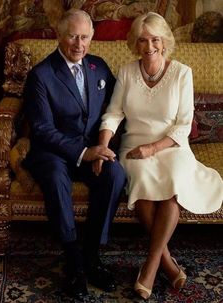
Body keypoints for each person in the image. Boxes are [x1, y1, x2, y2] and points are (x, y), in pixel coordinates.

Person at [95, 12, 223, 300]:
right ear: (135, 44)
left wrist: (154, 148)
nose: (149, 46)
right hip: (134, 146)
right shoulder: (127, 72)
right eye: (142, 40)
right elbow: (114, 113)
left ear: (164, 42)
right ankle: (167, 263)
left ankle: (151, 266)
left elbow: (183, 124)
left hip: (172, 146)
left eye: (155, 39)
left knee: (173, 186)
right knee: (140, 184)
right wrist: (104, 145)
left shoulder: (182, 73)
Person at [23, 8, 126, 300]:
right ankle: (73, 261)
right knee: (56, 178)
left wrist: (104, 150)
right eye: (72, 36)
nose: (79, 44)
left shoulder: (99, 67)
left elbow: (116, 112)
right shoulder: (41, 75)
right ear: (59, 35)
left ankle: (91, 256)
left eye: (85, 37)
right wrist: (84, 152)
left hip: (93, 150)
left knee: (115, 173)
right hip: (53, 153)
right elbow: (42, 129)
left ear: (92, 38)